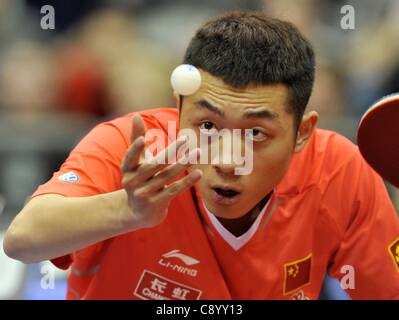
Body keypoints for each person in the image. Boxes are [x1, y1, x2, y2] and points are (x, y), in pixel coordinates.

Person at [4, 11, 399, 300]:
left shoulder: (338, 171)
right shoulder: (132, 146)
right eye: (208, 127)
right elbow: (22, 241)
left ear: (303, 133)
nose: (228, 159)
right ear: (179, 110)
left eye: (255, 133)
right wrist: (127, 211)